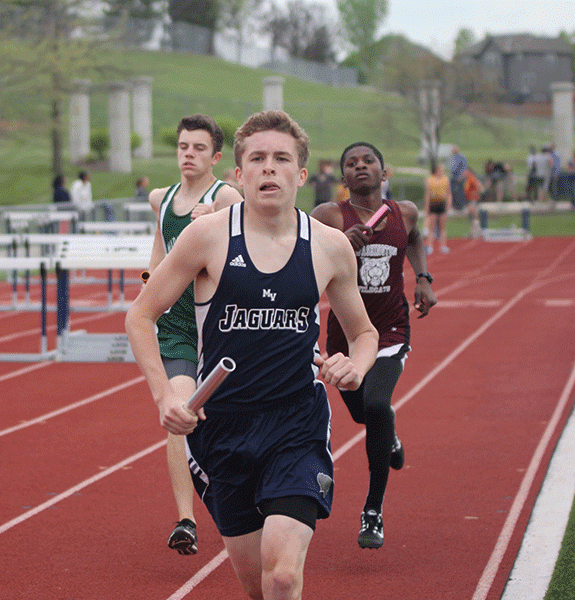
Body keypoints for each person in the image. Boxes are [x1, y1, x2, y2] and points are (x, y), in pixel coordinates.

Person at [127, 110, 378, 600]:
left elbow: (364, 333)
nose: (269, 168)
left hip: (295, 423)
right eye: (257, 159)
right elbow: (140, 316)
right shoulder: (206, 237)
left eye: (281, 159)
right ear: (237, 175)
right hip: (222, 429)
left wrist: (356, 364)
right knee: (257, 587)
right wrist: (163, 396)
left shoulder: (328, 247)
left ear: (301, 175)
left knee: (282, 575)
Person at [311, 142, 437, 550]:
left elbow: (415, 239)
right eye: (351, 163)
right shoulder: (329, 216)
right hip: (344, 335)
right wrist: (341, 243)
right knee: (364, 411)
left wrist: (422, 278)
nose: (360, 166)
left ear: (385, 173)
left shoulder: (405, 212)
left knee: (378, 406)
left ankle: (373, 509)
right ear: (342, 176)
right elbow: (303, 255)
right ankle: (391, 439)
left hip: (389, 331)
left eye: (368, 162)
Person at [144, 113, 243, 556]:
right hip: (179, 329)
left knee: (231, 422)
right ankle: (186, 520)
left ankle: (244, 502)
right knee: (179, 414)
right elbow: (160, 251)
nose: (189, 154)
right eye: (184, 147)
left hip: (221, 327)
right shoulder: (160, 198)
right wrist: (151, 283)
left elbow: (248, 245)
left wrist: (218, 220)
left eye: (199, 148)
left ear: (215, 157)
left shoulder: (225, 197)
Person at [423, 163, 450, 254]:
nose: (443, 171)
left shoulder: (445, 179)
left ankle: (443, 246)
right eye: (442, 170)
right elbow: (427, 194)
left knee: (443, 227)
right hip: (433, 204)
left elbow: (449, 193)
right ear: (437, 170)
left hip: (442, 204)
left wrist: (448, 204)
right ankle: (430, 246)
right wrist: (426, 206)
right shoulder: (430, 179)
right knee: (432, 226)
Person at [463, 168, 483, 238]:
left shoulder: (471, 178)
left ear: (469, 172)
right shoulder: (468, 179)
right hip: (470, 199)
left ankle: (478, 232)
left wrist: (477, 192)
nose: (464, 173)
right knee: (472, 216)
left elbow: (478, 185)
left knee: (473, 216)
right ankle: (474, 232)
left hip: (473, 199)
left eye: (465, 172)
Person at [448, 145, 468, 211]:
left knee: (460, 192)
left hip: (459, 177)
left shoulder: (461, 157)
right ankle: (454, 206)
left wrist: (462, 176)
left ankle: (461, 206)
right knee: (453, 191)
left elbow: (464, 167)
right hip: (453, 177)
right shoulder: (452, 157)